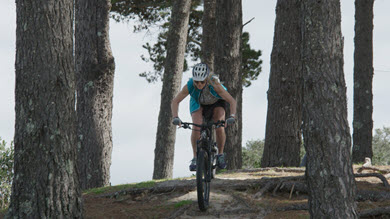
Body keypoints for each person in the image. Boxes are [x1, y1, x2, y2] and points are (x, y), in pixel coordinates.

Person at [171, 63, 237, 171]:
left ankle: (220, 154)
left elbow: (232, 101)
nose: (199, 84)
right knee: (196, 127)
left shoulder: (215, 84)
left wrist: (232, 116)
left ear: (206, 79)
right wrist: (175, 117)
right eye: (197, 81)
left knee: (219, 126)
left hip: (216, 102)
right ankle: (195, 157)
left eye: (202, 81)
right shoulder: (190, 85)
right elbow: (175, 101)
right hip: (198, 102)